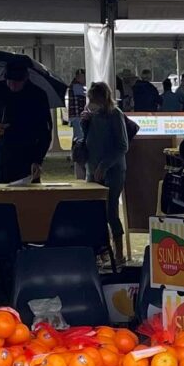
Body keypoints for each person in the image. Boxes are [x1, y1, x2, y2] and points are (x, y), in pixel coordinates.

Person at [0, 60, 52, 184]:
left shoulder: (38, 95)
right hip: (3, 155)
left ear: (25, 79)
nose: (12, 85)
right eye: (9, 81)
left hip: (28, 156)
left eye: (17, 82)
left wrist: (38, 160)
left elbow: (45, 133)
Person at [81, 82, 128, 264]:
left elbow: (122, 146)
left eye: (94, 99)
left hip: (113, 171)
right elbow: (87, 140)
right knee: (94, 212)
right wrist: (84, 124)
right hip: (92, 169)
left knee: (111, 212)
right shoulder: (91, 115)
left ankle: (119, 252)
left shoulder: (115, 115)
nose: (91, 102)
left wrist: (105, 165)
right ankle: (101, 250)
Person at [67, 69, 87, 141]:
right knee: (79, 137)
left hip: (76, 115)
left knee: (77, 136)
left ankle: (75, 150)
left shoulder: (74, 85)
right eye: (83, 77)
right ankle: (77, 151)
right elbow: (86, 94)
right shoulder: (76, 86)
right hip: (77, 115)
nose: (84, 79)